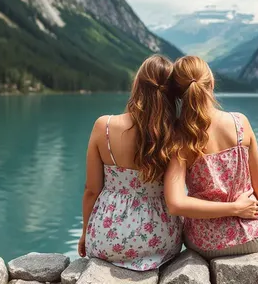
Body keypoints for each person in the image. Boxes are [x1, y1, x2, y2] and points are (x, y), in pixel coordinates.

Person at [164, 55, 258, 259]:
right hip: (256, 235)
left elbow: (175, 204)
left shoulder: (181, 137)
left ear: (178, 94)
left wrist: (232, 209)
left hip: (206, 243)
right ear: (212, 83)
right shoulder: (240, 122)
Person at [78, 55, 183, 271]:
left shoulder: (104, 127)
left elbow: (91, 190)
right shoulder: (176, 133)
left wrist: (85, 233)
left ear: (137, 85)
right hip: (161, 239)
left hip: (107, 239)